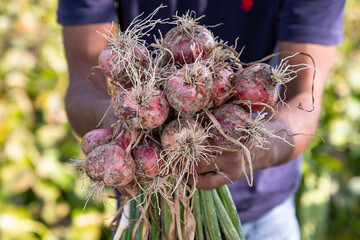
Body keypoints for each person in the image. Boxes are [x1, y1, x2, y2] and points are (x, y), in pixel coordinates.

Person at [58, 1, 346, 239]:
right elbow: (84, 84)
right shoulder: (133, 115)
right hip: (145, 208)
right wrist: (127, 124)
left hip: (263, 217)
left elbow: (304, 100)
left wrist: (254, 148)